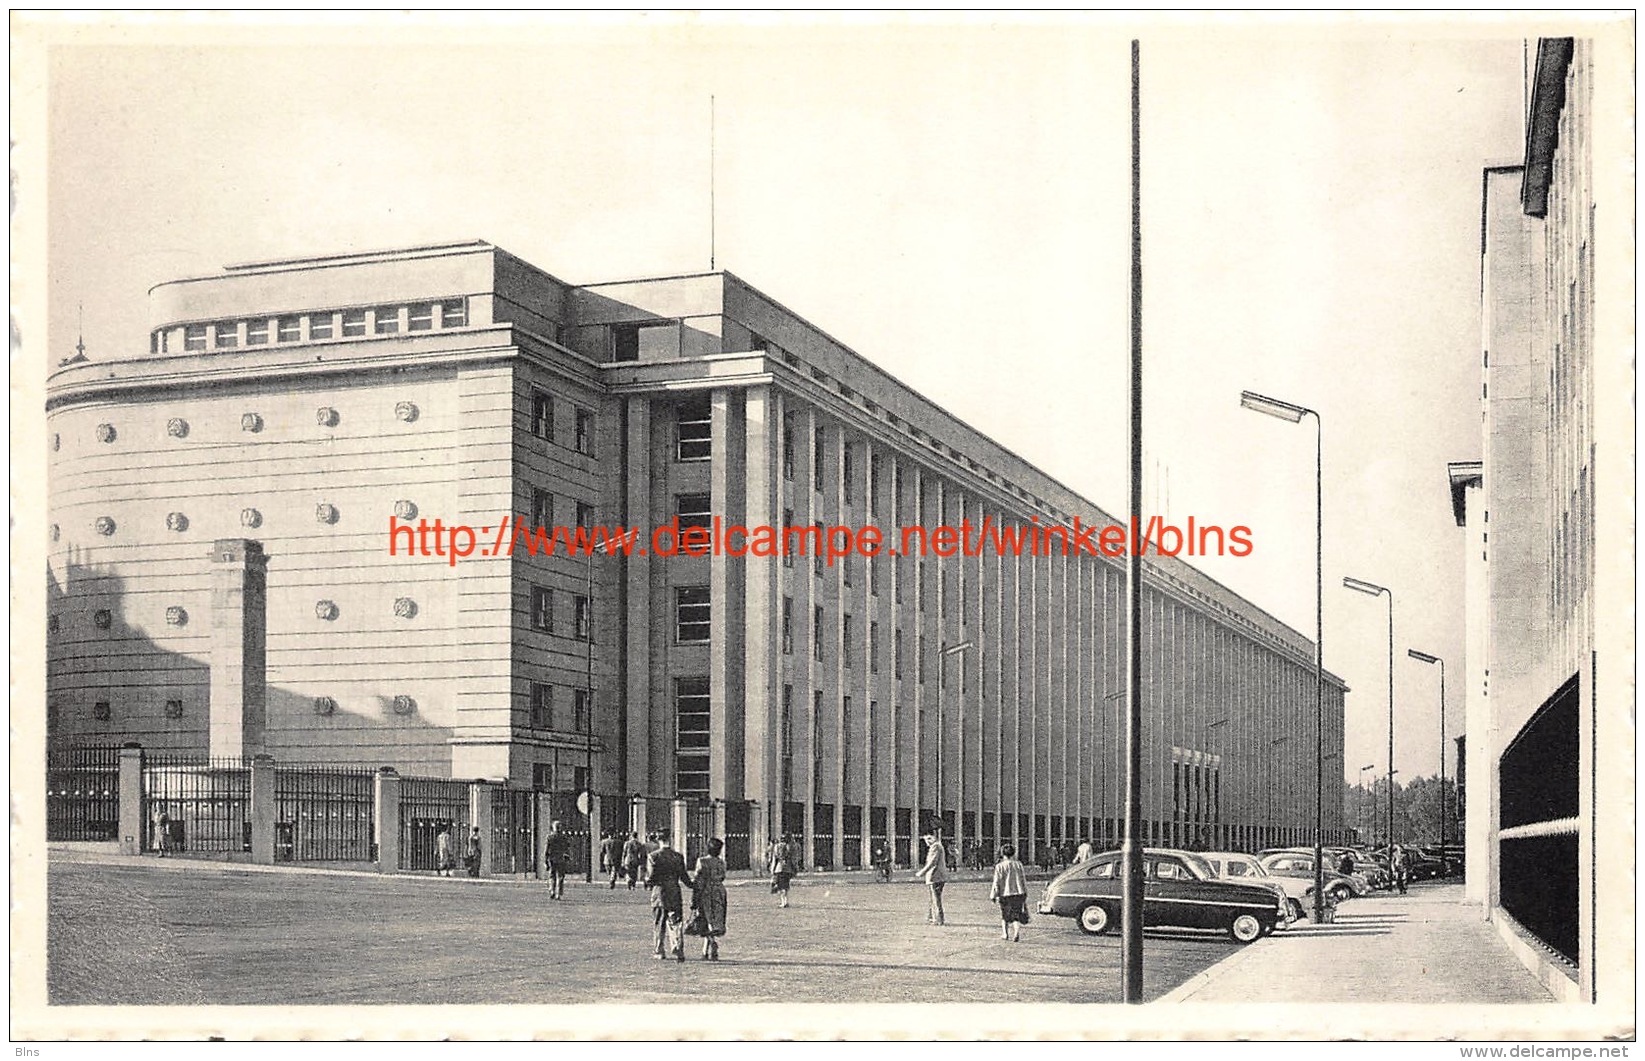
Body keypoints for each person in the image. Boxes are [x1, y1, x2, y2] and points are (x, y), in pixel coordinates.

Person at [644, 833, 693, 962]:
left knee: (659, 922)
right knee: (676, 922)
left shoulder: (653, 856)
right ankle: (677, 946)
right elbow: (684, 877)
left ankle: (659, 950)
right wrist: (693, 885)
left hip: (659, 893)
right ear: (670, 839)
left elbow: (651, 877)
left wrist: (647, 882)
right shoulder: (678, 857)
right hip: (674, 892)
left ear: (659, 840)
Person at [690, 837, 729, 960]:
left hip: (706, 891)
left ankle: (712, 943)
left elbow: (698, 879)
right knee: (715, 919)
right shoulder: (721, 863)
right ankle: (705, 951)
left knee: (706, 918)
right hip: (719, 891)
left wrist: (694, 898)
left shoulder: (701, 861)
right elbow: (723, 877)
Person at [990, 843, 1030, 942]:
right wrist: (1025, 892)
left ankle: (1005, 934)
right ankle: (1016, 932)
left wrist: (993, 895)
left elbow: (996, 881)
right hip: (1018, 893)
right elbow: (1023, 879)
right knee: (1016, 915)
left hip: (1005, 893)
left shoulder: (999, 866)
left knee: (1005, 915)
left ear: (1002, 854)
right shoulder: (1018, 864)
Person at [915, 831, 949, 926]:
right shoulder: (937, 846)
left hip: (935, 876)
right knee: (934, 898)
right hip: (937, 876)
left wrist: (922, 872)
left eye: (928, 839)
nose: (926, 841)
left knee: (935, 898)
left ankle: (938, 919)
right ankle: (932, 917)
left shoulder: (936, 847)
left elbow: (932, 862)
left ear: (933, 838)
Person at [544, 820, 571, 899]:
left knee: (552, 875)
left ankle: (552, 890)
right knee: (560, 876)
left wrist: (546, 859)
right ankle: (558, 893)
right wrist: (567, 857)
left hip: (552, 858)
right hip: (561, 858)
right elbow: (567, 848)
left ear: (553, 827)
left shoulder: (549, 837)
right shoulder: (564, 837)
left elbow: (547, 849)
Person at [769, 835, 796, 907]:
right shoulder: (789, 847)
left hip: (779, 869)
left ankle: (783, 902)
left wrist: (772, 869)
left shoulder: (777, 847)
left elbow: (775, 859)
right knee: (786, 886)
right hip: (788, 869)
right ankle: (786, 901)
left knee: (781, 887)